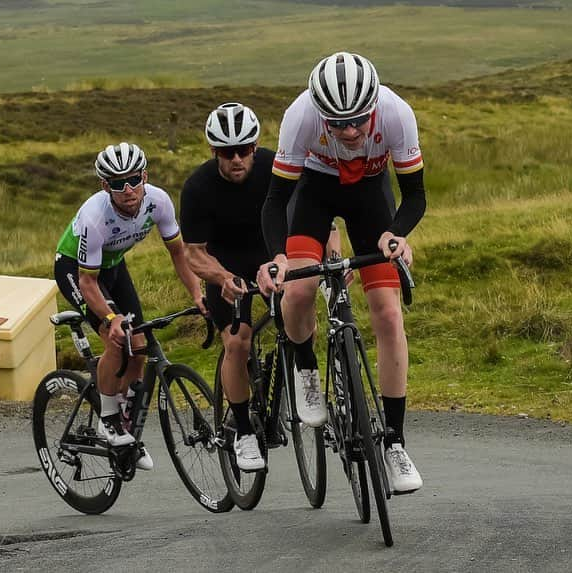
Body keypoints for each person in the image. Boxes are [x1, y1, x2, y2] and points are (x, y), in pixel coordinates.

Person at [257, 52, 426, 493]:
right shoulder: (300, 117)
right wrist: (277, 257)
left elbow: (414, 196)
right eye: (337, 123)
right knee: (298, 291)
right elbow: (275, 202)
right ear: (320, 114)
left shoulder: (396, 113)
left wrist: (398, 235)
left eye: (358, 121)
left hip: (370, 195)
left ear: (373, 107)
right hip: (313, 193)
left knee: (388, 314)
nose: (350, 131)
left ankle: (394, 443)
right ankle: (306, 369)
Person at [54, 142, 205, 471]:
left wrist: (197, 292)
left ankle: (123, 421)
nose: (128, 190)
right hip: (76, 271)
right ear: (105, 186)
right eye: (118, 184)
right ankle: (107, 419)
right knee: (116, 337)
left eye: (134, 179)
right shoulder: (96, 218)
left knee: (140, 346)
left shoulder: (158, 201)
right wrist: (109, 318)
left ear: (144, 176)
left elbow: (179, 254)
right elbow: (87, 282)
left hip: (113, 267)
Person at [179, 103, 273, 472]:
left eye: (244, 149)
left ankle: (300, 386)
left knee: (299, 312)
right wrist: (222, 278)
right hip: (224, 264)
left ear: (255, 146)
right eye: (226, 152)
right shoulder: (198, 187)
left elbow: (305, 212)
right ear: (214, 152)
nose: (237, 159)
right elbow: (194, 255)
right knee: (238, 340)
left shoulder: (273, 167)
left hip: (269, 254)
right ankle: (245, 432)